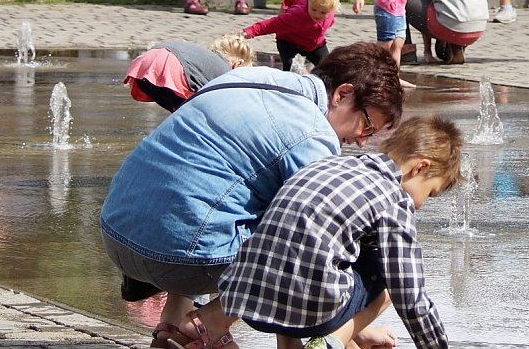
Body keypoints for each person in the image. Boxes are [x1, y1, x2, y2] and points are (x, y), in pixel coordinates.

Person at [100, 42, 404, 349]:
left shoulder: (249, 77)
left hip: (117, 235)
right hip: (179, 257)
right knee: (339, 248)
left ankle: (176, 321)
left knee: (220, 192)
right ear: (342, 94)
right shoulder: (313, 133)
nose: (363, 141)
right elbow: (311, 242)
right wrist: (348, 326)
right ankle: (208, 323)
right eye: (367, 125)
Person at [216, 115, 461, 349]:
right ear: (419, 167)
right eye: (430, 193)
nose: (421, 204)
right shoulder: (395, 200)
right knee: (390, 275)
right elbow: (411, 297)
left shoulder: (329, 164)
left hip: (246, 300)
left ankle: (296, 344)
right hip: (304, 309)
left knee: (308, 246)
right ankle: (331, 341)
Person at [123, 34, 255, 112]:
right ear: (237, 64)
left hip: (145, 64)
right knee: (193, 115)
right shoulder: (225, 73)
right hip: (172, 67)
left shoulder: (203, 59)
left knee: (179, 113)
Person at [241, 0, 340, 71]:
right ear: (309, 0)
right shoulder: (297, 14)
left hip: (315, 45)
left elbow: (327, 23)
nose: (317, 15)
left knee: (328, 68)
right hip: (289, 42)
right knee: (291, 66)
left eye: (323, 12)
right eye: (313, 9)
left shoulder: (330, 14)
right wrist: (250, 31)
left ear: (333, 8)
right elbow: (272, 24)